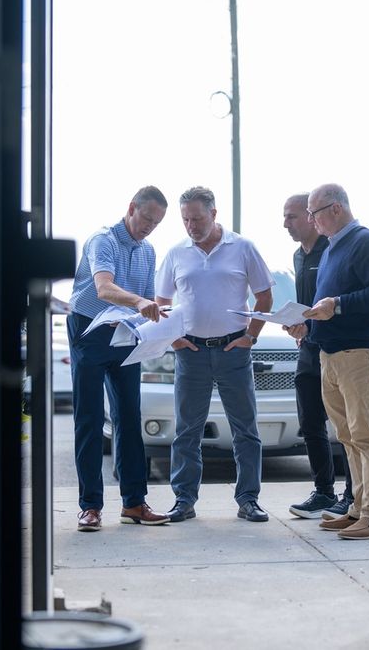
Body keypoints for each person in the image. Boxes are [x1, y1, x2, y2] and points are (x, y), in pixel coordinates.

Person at [154, 186, 274, 523]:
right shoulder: (177, 253)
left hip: (233, 351)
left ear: (214, 214)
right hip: (191, 353)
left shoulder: (243, 247)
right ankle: (184, 500)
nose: (191, 225)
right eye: (185, 219)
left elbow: (264, 297)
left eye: (197, 218)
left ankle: (248, 499)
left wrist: (251, 336)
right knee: (187, 431)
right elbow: (161, 303)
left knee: (245, 429)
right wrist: (174, 339)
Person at [286, 183, 369, 540]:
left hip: (358, 354)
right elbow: (328, 304)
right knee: (348, 437)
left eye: (313, 213)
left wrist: (338, 304)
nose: (310, 220)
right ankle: (358, 509)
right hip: (329, 355)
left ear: (335, 209)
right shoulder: (333, 248)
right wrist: (308, 324)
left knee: (367, 435)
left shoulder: (367, 242)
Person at [68, 186, 171, 532]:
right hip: (90, 330)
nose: (148, 227)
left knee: (130, 415)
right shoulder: (103, 240)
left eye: (156, 223)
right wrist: (140, 303)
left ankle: (134, 503)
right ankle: (90, 506)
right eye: (146, 218)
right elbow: (104, 288)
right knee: (90, 416)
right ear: (131, 209)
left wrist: (165, 324)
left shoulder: (149, 250)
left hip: (126, 332)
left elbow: (147, 299)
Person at [281, 193, 355, 520]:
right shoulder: (298, 256)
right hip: (308, 350)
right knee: (311, 423)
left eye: (293, 216)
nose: (286, 223)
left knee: (348, 427)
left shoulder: (334, 250)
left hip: (338, 348)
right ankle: (324, 492)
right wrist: (298, 325)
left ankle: (353, 495)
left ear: (312, 217)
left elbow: (339, 302)